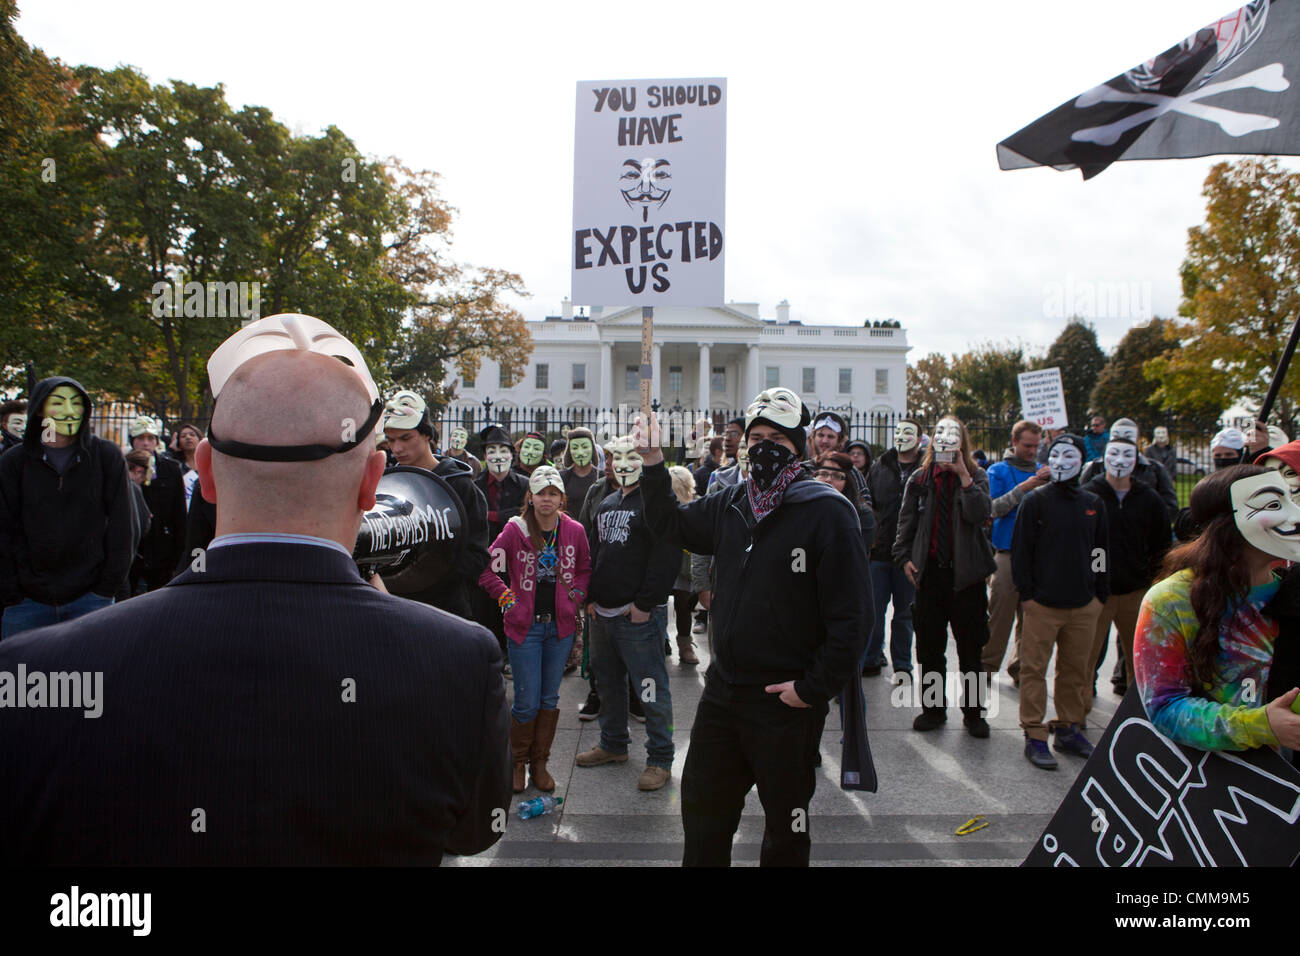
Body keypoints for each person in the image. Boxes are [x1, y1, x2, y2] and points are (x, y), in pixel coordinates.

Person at [0, 313, 510, 864]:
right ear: (373, 481)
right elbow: (473, 834)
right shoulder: (459, 661)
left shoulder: (31, 674)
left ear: (207, 474)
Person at [635, 387, 871, 866]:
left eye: (777, 442)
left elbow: (853, 619)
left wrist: (811, 689)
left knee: (785, 828)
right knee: (702, 811)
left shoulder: (827, 512)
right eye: (755, 437)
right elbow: (668, 523)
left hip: (785, 702)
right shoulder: (731, 503)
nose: (763, 449)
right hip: (724, 692)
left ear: (800, 449)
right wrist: (655, 460)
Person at [1134, 464, 1300, 756]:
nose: (1295, 514)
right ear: (1228, 524)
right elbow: (1164, 706)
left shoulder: (1292, 592)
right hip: (1214, 784)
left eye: (1292, 500)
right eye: (1274, 504)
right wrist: (1259, 725)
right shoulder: (1170, 601)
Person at [577, 434, 681, 792]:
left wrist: (645, 603)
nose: (616, 465)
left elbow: (667, 556)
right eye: (611, 458)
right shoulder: (606, 503)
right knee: (607, 683)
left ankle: (660, 759)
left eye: (626, 457)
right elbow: (593, 551)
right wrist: (588, 598)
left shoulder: (655, 503)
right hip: (602, 613)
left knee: (650, 688)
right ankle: (613, 744)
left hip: (638, 616)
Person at [478, 465, 591, 793]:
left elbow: (584, 568)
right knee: (526, 701)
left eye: (553, 493)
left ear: (561, 498)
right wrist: (507, 599)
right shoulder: (516, 531)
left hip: (560, 628)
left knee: (549, 698)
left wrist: (576, 597)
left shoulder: (574, 531)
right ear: (530, 497)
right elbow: (488, 571)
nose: (546, 499)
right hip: (524, 629)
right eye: (541, 493)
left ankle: (540, 764)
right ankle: (517, 763)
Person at [0, 376, 133, 639]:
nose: (69, 411)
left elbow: (123, 526)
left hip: (92, 600)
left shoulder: (105, 456)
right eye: (58, 403)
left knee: (92, 679)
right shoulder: (14, 462)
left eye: (77, 403)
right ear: (39, 409)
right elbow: (3, 529)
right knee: (24, 679)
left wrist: (106, 589)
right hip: (26, 603)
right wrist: (11, 592)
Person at [893, 415, 996, 737]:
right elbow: (905, 524)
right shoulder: (920, 479)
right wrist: (904, 558)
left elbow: (980, 514)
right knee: (929, 648)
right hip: (931, 576)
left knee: (970, 649)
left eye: (952, 434)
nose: (945, 439)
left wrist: (963, 474)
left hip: (968, 579)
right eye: (939, 433)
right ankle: (934, 710)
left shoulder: (977, 476)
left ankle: (974, 713)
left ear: (962, 441)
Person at [1012, 433, 1109, 770]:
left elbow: (1099, 551)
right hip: (1042, 605)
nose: (1062, 461)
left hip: (1083, 604)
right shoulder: (1035, 501)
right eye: (1055, 454)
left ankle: (1069, 728)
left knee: (1076, 671)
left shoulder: (1093, 503)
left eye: (1070, 455)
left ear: (1081, 460)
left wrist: (1099, 592)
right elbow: (1022, 552)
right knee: (1034, 670)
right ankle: (1034, 734)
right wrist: (1027, 596)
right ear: (1047, 460)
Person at [381, 389, 490, 620]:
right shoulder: (388, 484)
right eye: (391, 440)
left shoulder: (461, 486)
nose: (397, 448)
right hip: (398, 610)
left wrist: (427, 570)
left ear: (427, 435)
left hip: (447, 610)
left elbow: (477, 557)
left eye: (405, 437)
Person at [1081, 437, 1170, 714]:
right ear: (1104, 457)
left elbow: (1161, 544)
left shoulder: (1149, 499)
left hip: (1136, 591)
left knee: (1141, 659)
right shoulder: (1089, 495)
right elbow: (1081, 543)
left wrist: (1153, 580)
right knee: (1085, 656)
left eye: (1126, 455)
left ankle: (1139, 717)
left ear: (1136, 459)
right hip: (1097, 592)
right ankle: (1076, 715)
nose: (1119, 461)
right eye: (1114, 454)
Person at [981, 421, 1050, 685]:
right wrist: (1026, 488)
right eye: (1027, 445)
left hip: (1038, 556)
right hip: (1008, 553)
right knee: (1000, 614)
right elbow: (992, 508)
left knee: (1032, 618)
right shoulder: (997, 471)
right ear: (1014, 441)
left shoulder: (1046, 472)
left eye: (1036, 445)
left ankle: (1022, 667)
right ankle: (986, 665)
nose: (1032, 451)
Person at [864, 419, 923, 680]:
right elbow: (868, 503)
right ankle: (871, 657)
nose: (901, 436)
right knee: (873, 611)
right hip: (879, 553)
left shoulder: (926, 469)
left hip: (910, 557)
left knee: (904, 614)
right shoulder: (880, 467)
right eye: (898, 431)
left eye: (908, 432)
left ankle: (903, 665)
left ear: (919, 439)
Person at [125, 415, 188, 594]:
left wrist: (179, 555)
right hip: (131, 548)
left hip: (162, 548)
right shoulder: (119, 466)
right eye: (140, 438)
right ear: (132, 441)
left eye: (150, 438)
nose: (145, 443)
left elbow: (179, 514)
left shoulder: (170, 468)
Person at [1079, 418, 1178, 520]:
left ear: (1136, 439)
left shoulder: (1155, 469)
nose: (1122, 440)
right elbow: (1081, 501)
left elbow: (1170, 507)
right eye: (1116, 436)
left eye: (1128, 436)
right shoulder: (1094, 467)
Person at [668, 465, 701, 665]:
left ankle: (685, 644)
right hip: (664, 560)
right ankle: (661, 640)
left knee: (683, 605)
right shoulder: (661, 503)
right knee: (658, 605)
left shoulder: (696, 505)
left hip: (685, 563)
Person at [559, 426, 598, 517]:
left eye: (585, 447)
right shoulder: (562, 477)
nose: (580, 452)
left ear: (592, 449)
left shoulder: (601, 477)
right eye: (575, 448)